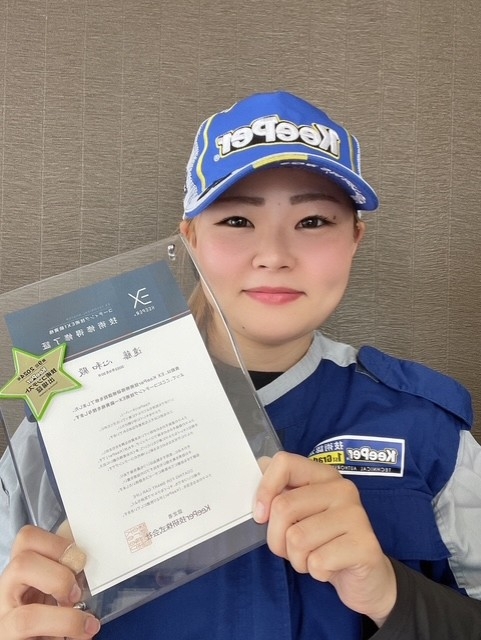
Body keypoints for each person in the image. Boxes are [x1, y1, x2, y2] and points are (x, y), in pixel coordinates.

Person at [1, 90, 481, 640]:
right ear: (189, 239)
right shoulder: (61, 426)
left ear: (355, 239)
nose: (274, 254)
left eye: (313, 221)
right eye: (236, 219)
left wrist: (391, 594)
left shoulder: (428, 428)